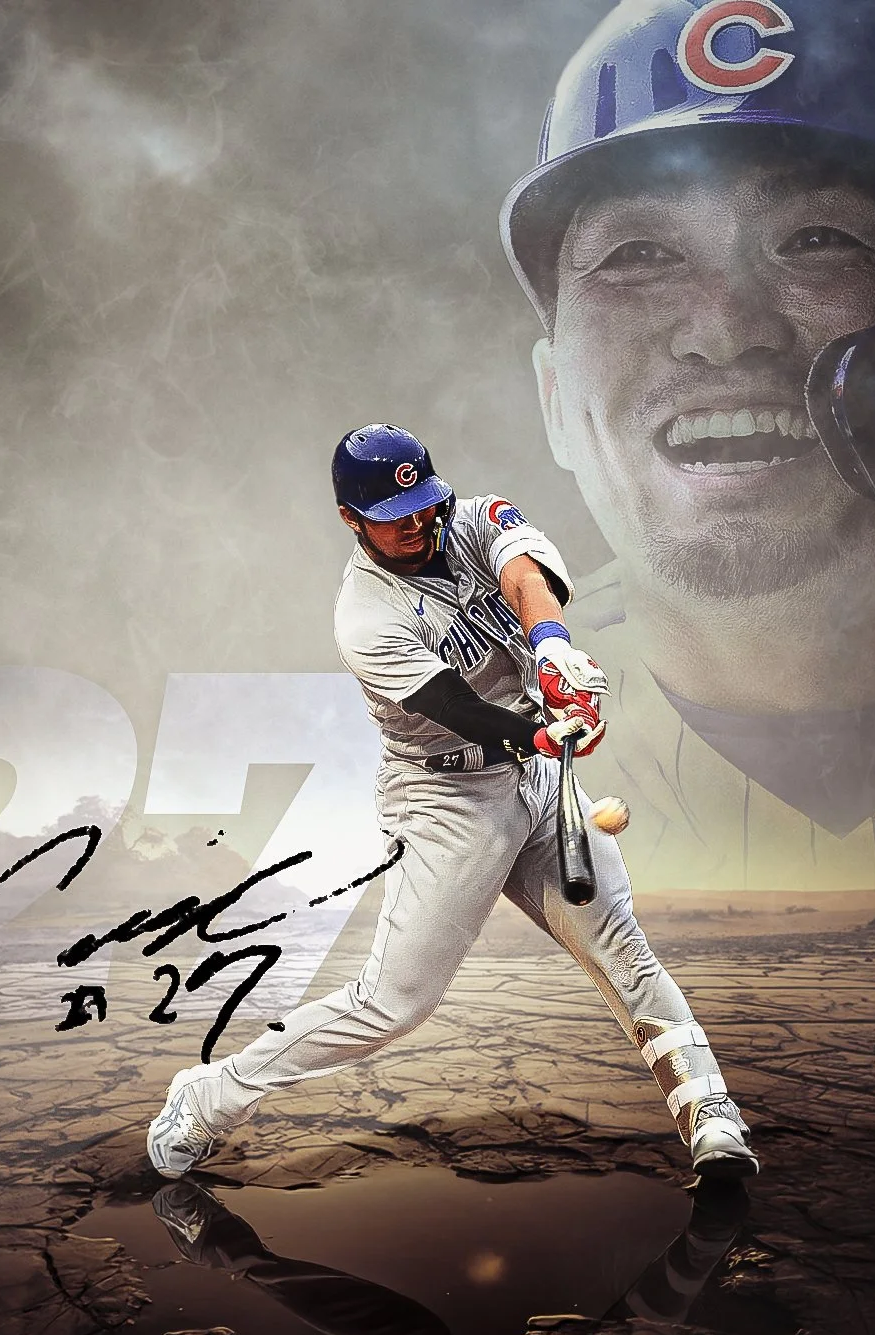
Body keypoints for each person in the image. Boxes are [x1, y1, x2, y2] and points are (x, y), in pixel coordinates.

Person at [500, 0, 875, 892]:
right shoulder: (438, 742)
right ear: (555, 398)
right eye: (637, 253)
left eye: (815, 239)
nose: (725, 331)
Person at [148, 423, 759, 1180]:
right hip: (443, 795)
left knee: (622, 950)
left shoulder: (471, 519)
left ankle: (710, 1115)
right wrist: (544, 733)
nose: (414, 523)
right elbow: (461, 712)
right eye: (390, 515)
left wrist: (554, 650)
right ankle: (212, 1093)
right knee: (392, 1004)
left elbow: (526, 577)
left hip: (535, 783)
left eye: (422, 504)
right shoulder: (365, 614)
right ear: (350, 519)